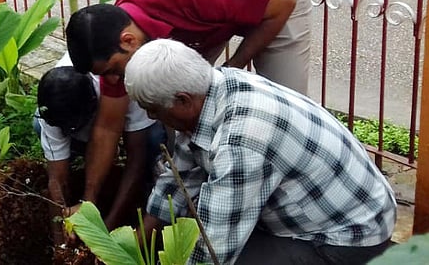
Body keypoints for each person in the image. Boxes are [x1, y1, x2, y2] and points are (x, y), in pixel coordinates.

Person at [64, 0, 310, 216]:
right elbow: (108, 126)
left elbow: (283, 4)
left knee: (286, 112)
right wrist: (89, 201)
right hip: (210, 12)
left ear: (128, 41)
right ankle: (199, 198)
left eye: (114, 71)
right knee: (178, 107)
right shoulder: (114, 41)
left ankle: (281, 207)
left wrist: (230, 71)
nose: (115, 81)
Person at [124, 39, 396, 265]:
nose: (150, 116)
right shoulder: (215, 86)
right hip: (318, 214)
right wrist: (136, 244)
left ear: (183, 100)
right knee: (182, 226)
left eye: (153, 109)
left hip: (346, 238)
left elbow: (215, 248)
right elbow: (179, 181)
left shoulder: (243, 139)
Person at [36, 54, 164, 243]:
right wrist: (60, 238)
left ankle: (150, 193)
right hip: (86, 120)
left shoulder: (123, 82)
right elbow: (56, 179)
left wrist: (106, 229)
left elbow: (136, 159)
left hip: (128, 119)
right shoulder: (53, 103)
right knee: (38, 126)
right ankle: (86, 166)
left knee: (152, 140)